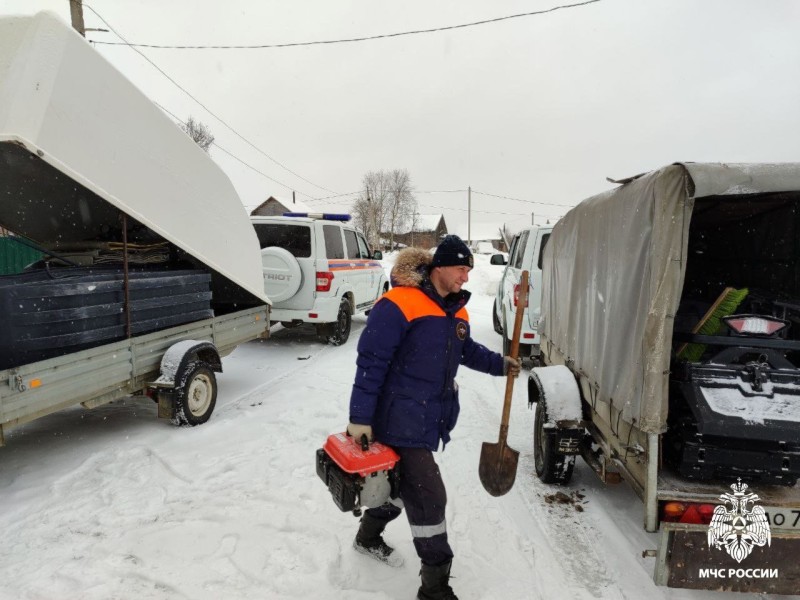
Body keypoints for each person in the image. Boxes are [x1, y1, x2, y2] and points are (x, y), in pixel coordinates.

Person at [346, 235, 521, 600]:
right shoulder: (397, 304)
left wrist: (500, 365)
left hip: (429, 417)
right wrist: (360, 418)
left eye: (469, 270)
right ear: (439, 266)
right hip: (396, 418)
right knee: (429, 497)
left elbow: (465, 349)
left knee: (398, 489)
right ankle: (435, 590)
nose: (466, 277)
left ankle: (368, 536)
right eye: (461, 269)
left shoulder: (455, 309)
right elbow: (371, 363)